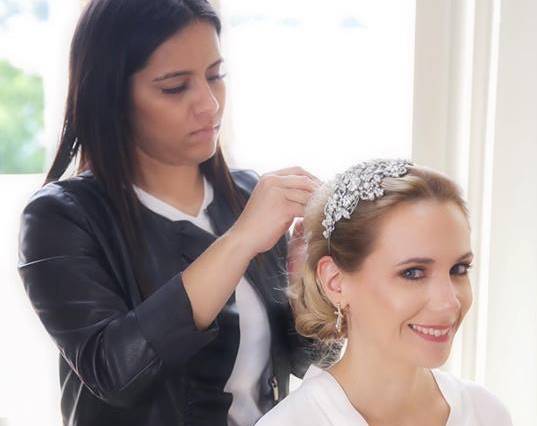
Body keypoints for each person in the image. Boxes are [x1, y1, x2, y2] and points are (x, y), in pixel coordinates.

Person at [17, 1, 316, 425]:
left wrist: (307, 287)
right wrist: (240, 241)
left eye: (216, 76)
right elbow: (114, 372)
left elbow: (301, 361)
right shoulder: (60, 217)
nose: (210, 105)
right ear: (112, 96)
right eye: (175, 87)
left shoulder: (246, 193)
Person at [257, 159, 512, 426]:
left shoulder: (487, 413)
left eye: (459, 269)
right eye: (412, 273)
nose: (448, 303)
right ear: (335, 282)